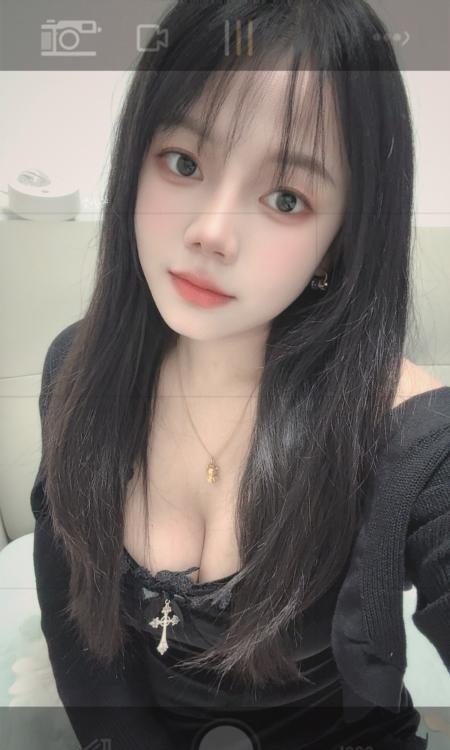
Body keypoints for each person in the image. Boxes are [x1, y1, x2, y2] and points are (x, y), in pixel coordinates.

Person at [32, 1, 449, 748]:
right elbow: (73, 610)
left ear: (340, 240)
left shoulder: (409, 438)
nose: (211, 232)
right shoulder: (78, 369)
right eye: (184, 163)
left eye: (286, 198)